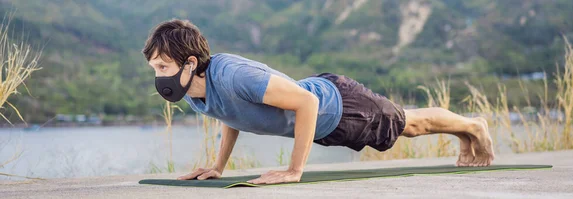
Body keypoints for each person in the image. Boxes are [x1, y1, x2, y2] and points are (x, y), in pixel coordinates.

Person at [142, 19, 495, 185]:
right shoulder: (195, 92)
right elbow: (229, 113)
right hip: (325, 124)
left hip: (340, 106)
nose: (159, 77)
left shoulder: (234, 74)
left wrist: (294, 171)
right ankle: (465, 132)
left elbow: (307, 103)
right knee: (409, 126)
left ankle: (473, 126)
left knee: (411, 125)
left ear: (189, 63)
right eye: (154, 69)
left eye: (163, 67)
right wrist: (218, 166)